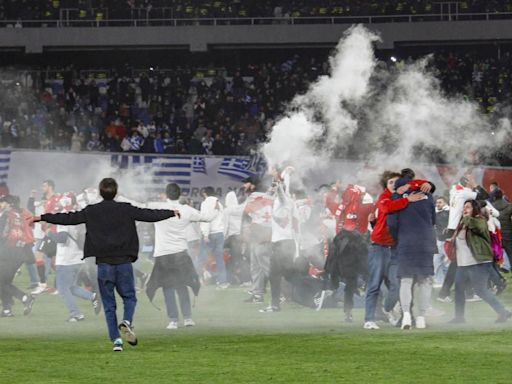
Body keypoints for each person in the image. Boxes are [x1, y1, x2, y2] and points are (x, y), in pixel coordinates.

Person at [26, 178, 179, 352]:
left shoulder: (92, 211)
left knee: (108, 304)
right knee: (129, 297)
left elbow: (69, 218)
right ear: (116, 191)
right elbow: (149, 214)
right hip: (123, 262)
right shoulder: (126, 208)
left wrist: (41, 217)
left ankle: (117, 341)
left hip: (104, 263)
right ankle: (127, 322)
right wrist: (171, 212)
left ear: (100, 192)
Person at [363, 171, 425, 330]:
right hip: (379, 247)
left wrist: (428, 185)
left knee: (397, 285)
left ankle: (386, 309)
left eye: (397, 182)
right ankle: (369, 319)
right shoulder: (385, 197)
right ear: (386, 185)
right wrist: (407, 200)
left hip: (395, 248)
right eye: (390, 182)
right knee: (374, 284)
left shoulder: (401, 197)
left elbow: (420, 184)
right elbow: (386, 208)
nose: (393, 185)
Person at [450, 200, 511, 324]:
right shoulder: (462, 222)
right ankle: (459, 317)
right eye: (464, 207)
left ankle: (503, 312)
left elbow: (477, 227)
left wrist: (466, 217)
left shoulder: (480, 220)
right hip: (463, 263)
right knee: (459, 289)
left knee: (480, 290)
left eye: (468, 207)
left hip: (477, 262)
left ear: (475, 209)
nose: (464, 209)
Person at [391, 176, 436, 330]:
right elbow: (433, 220)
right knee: (424, 280)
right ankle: (422, 317)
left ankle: (406, 316)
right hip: (425, 241)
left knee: (406, 280)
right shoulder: (428, 196)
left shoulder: (396, 199)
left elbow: (391, 223)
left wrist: (398, 238)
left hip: (406, 242)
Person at [0, 195, 35, 317]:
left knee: (2, 281)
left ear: (9, 204)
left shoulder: (7, 215)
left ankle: (25, 298)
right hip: (19, 253)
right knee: (5, 282)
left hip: (9, 252)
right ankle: (7, 310)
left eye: (3, 202)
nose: (1, 205)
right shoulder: (19, 215)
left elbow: (2, 234)